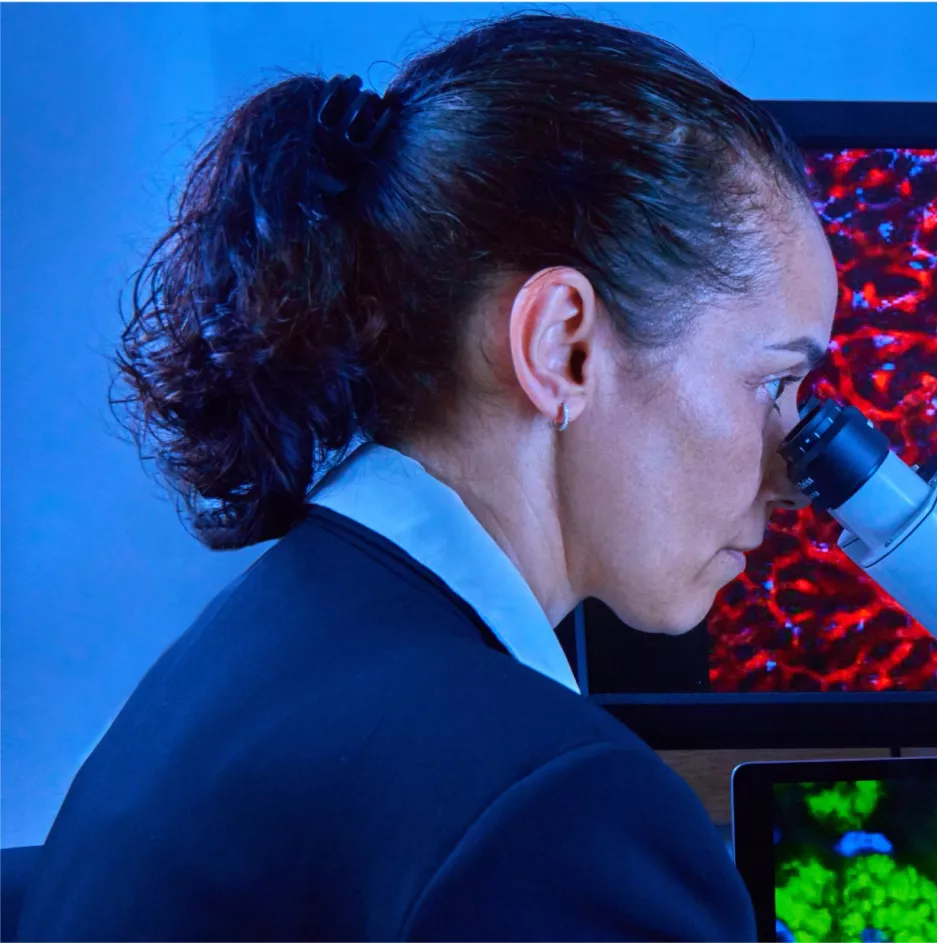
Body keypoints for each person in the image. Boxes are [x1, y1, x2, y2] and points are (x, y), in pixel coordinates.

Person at [18, 12, 833, 940]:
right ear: (562, 347)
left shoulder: (242, 658)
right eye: (773, 383)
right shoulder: (554, 814)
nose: (792, 474)